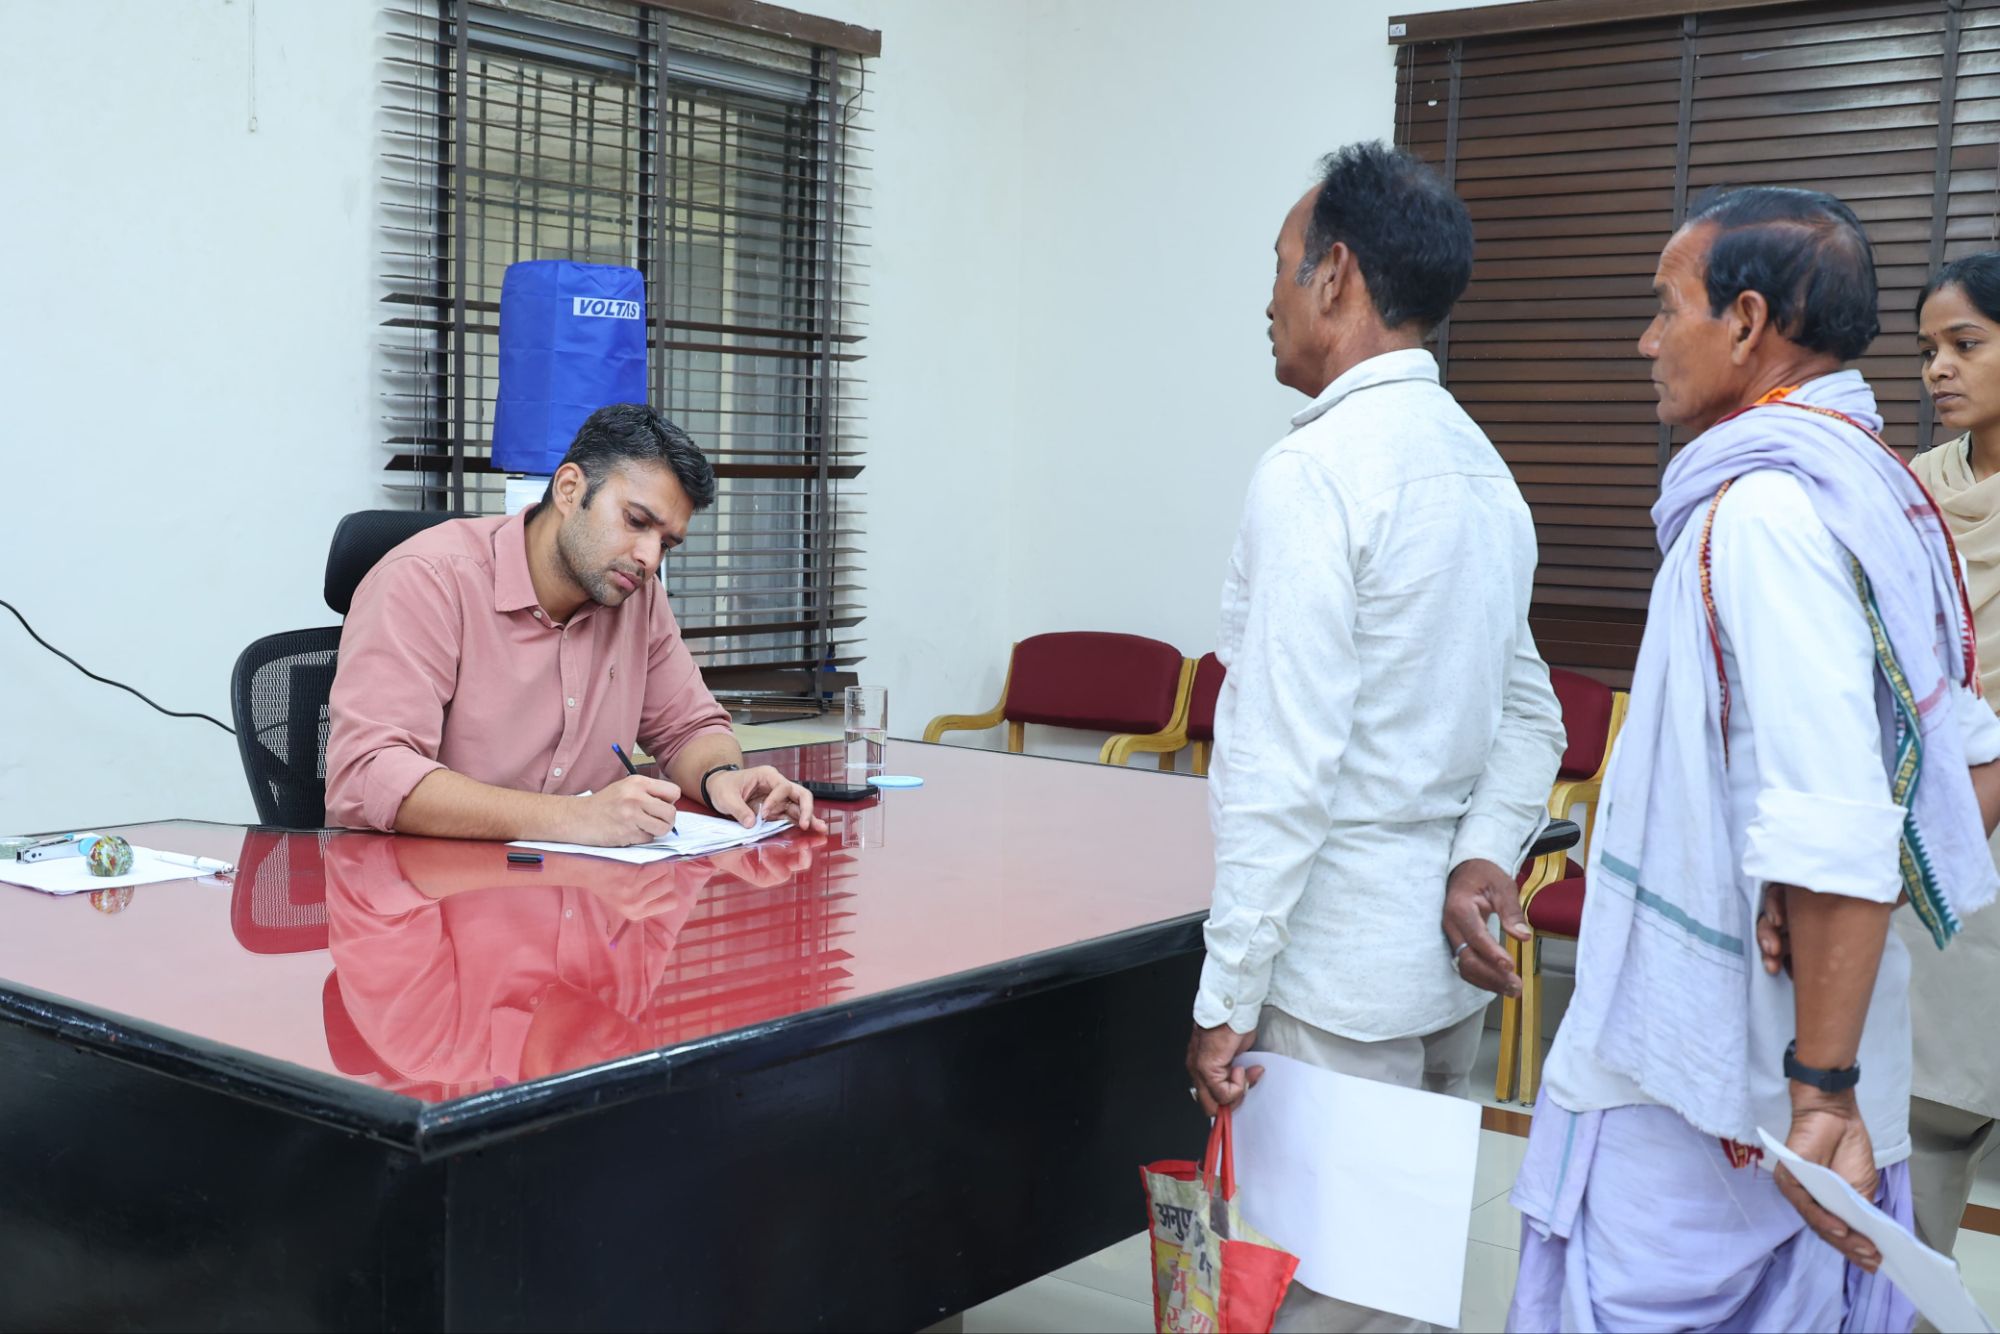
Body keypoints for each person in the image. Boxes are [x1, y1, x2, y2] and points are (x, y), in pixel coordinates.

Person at [1502, 186, 2000, 1334]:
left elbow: (1833, 812)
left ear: (1743, 320)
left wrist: (1819, 1088)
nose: (1645, 340)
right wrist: (1833, 921)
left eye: (1661, 307)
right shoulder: (1875, 487)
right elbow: (1964, 766)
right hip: (1790, 1042)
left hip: (1719, 1075)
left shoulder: (1769, 510)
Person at [1183, 140, 1564, 1333]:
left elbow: (1280, 767)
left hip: (1331, 981)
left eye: (1278, 267)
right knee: (1399, 1288)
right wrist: (1480, 852)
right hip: (1437, 978)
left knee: (1314, 1299)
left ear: (1334, 274)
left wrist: (1225, 992)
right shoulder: (1481, 470)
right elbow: (1530, 711)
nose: (1267, 299)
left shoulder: (1314, 474)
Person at [325, 403, 827, 844]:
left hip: (583, 891)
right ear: (569, 490)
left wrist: (721, 777)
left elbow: (688, 727)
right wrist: (574, 818)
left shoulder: (637, 596)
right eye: (636, 522)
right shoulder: (427, 580)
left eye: (667, 543)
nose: (650, 558)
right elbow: (369, 774)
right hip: (433, 895)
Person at [1904, 252, 2000, 1264]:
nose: (1937, 368)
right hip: (1935, 836)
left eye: (1963, 343)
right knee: (1925, 1115)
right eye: (1928, 348)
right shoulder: (1910, 493)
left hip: (1976, 818)